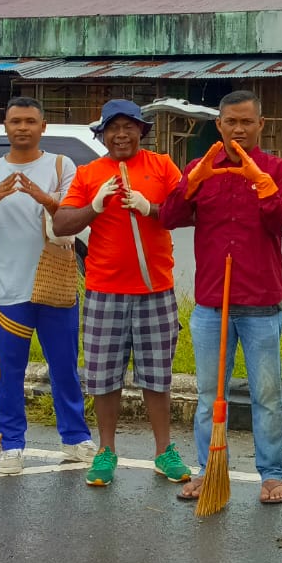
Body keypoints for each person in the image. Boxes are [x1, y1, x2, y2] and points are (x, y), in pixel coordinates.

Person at [160, 89, 282, 504]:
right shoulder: (201, 168)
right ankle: (207, 470)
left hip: (260, 302)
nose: (238, 129)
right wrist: (192, 184)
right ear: (218, 125)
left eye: (246, 122)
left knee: (267, 397)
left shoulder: (278, 169)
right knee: (208, 395)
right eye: (230, 122)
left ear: (261, 124)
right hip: (210, 304)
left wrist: (261, 183)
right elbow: (169, 217)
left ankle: (271, 475)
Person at [52, 99, 190, 487]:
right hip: (104, 291)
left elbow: (187, 212)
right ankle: (105, 451)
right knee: (103, 376)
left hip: (155, 290)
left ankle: (164, 451)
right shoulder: (90, 173)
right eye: (113, 128)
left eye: (130, 127)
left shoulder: (162, 166)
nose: (121, 134)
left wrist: (152, 208)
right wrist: (95, 206)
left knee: (157, 375)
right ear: (102, 134)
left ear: (142, 132)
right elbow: (62, 223)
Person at [0, 97, 95, 475]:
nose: (22, 127)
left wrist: (44, 198)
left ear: (43, 125)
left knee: (65, 367)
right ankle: (12, 444)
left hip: (56, 287)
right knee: (9, 372)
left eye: (30, 121)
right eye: (15, 121)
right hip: (9, 291)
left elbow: (73, 218)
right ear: (5, 126)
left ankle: (75, 439)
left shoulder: (61, 166)